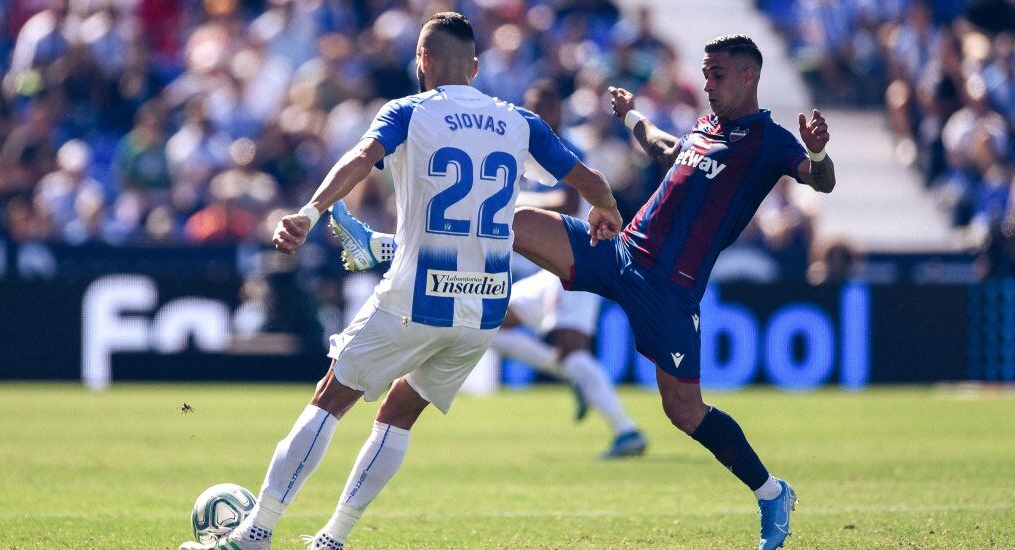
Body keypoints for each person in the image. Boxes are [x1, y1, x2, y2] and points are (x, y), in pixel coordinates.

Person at [334, 34, 836, 550]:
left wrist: (817, 150)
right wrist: (632, 117)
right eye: (705, 73)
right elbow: (668, 150)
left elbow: (821, 180)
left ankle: (772, 492)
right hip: (618, 249)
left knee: (684, 411)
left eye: (718, 75)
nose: (707, 84)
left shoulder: (770, 140)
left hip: (670, 288)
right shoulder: (708, 127)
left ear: (749, 77)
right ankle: (382, 246)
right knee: (507, 218)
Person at [179, 12, 622, 550]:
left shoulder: (409, 111)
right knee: (399, 414)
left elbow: (361, 158)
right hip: (482, 310)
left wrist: (311, 211)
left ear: (423, 62)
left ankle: (256, 532)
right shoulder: (519, 121)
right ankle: (332, 538)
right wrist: (605, 209)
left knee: (330, 400)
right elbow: (592, 181)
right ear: (477, 67)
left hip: (416, 298)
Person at [334, 79, 647, 459]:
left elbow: (566, 202)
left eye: (548, 104)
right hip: (548, 267)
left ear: (560, 111)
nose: (542, 113)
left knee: (570, 348)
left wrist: (510, 201)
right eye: (534, 103)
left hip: (577, 259)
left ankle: (625, 429)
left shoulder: (565, 146)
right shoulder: (522, 138)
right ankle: (575, 378)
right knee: (488, 325)